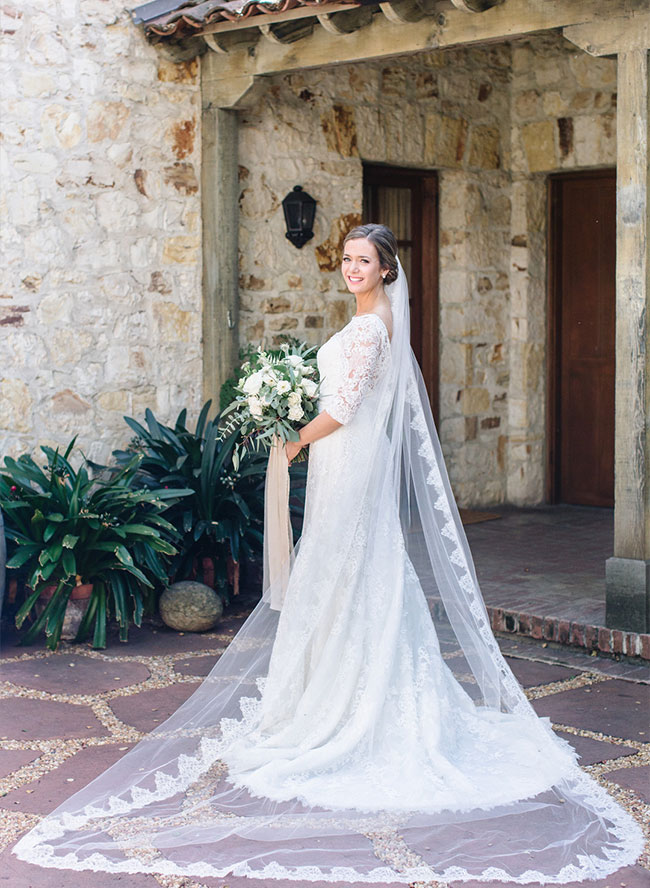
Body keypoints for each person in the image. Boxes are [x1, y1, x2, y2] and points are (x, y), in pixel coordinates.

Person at [13, 225, 643, 883]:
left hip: (348, 454)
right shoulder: (365, 324)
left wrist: (291, 442)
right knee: (347, 564)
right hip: (344, 457)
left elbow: (341, 408)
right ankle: (332, 686)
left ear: (387, 270)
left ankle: (354, 701)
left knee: (348, 562)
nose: (351, 269)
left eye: (363, 261)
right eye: (346, 259)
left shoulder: (372, 332)